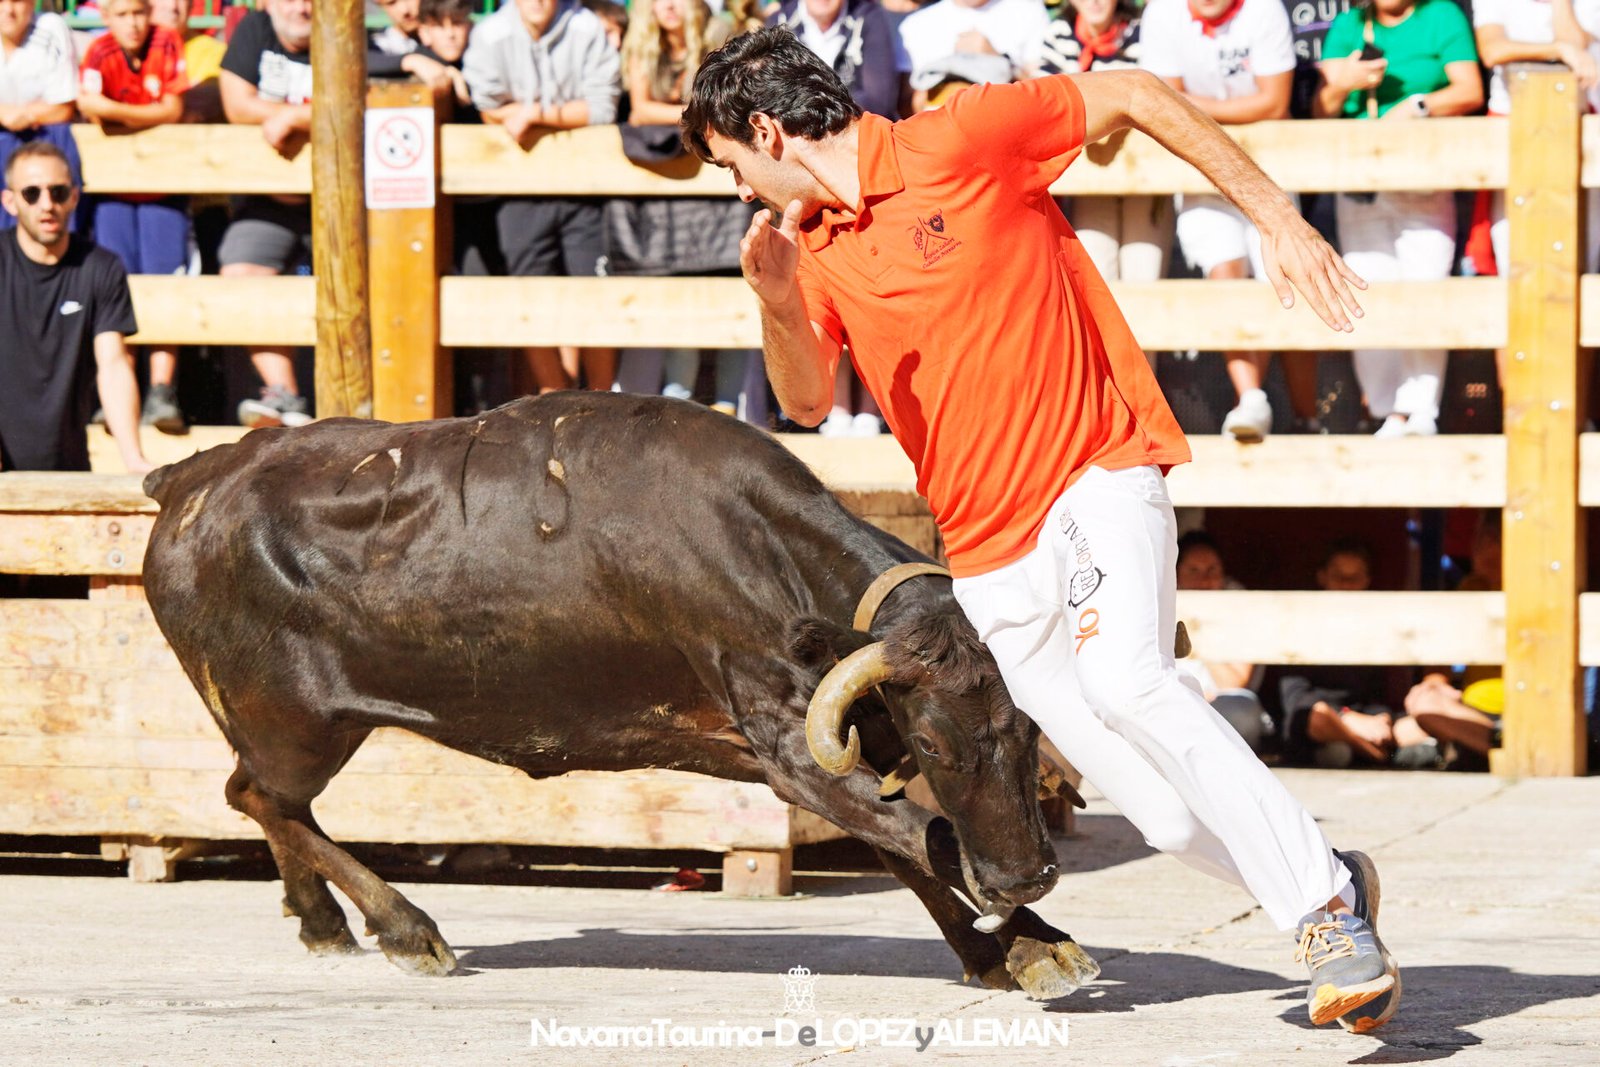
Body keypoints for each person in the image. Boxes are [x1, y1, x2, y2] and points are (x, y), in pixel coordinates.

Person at [683, 28, 1398, 1031]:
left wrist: (1273, 215)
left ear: (765, 129)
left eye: (731, 165)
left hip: (1095, 467)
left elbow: (1138, 91)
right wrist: (773, 306)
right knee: (1159, 814)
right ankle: (1331, 874)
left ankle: (1324, 918)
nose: (741, 190)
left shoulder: (962, 136)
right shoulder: (811, 248)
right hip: (984, 546)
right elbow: (804, 400)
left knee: (1129, 679)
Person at [1140, 0, 1318, 441]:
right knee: (1226, 267)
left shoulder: (1264, 9)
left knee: (1282, 282)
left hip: (1270, 170)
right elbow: (1162, 106)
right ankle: (1251, 398)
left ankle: (1304, 416)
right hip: (1200, 174)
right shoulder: (1162, 14)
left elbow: (1275, 103)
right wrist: (1231, 108)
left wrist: (1186, 106)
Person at [1314, 0, 1482, 438]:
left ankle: (1420, 410)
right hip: (1360, 185)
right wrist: (1342, 85)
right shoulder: (1349, 26)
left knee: (1425, 290)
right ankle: (1387, 413)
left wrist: (1418, 105)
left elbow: (1469, 90)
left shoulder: (1441, 16)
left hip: (1425, 181)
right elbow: (1320, 108)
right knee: (1368, 294)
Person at [463, 0, 622, 395]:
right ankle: (556, 397)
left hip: (585, 186)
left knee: (594, 295)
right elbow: (486, 105)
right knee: (529, 297)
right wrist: (558, 113)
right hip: (520, 186)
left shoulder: (585, 27)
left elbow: (602, 109)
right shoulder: (490, 34)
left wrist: (533, 113)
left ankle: (603, 403)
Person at [770, 0, 909, 433]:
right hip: (797, 187)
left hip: (860, 175)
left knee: (871, 287)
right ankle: (834, 404)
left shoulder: (872, 22)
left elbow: (881, 97)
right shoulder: (776, 25)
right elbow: (757, 107)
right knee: (818, 294)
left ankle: (870, 406)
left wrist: (795, 117)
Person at [0, 142, 150, 475]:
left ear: (74, 197)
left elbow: (113, 364)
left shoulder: (102, 267)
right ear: (9, 201)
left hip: (69, 468)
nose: (46, 204)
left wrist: (133, 458)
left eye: (57, 191)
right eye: (31, 194)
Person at [1036, 0, 1170, 370]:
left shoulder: (1144, 32)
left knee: (1143, 280)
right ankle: (1114, 401)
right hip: (1087, 186)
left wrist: (1096, 112)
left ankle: (1148, 400)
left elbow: (1155, 100)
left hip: (1147, 183)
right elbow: (1044, 103)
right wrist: (1110, 113)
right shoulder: (1058, 35)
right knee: (1099, 288)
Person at [78, 0, 191, 435]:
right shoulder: (99, 51)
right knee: (115, 287)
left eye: (140, 12)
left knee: (167, 281)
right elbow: (91, 108)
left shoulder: (167, 42)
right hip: (112, 192)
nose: (133, 23)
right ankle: (119, 393)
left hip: (163, 190)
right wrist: (149, 115)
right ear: (106, 17)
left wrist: (119, 116)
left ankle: (161, 391)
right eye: (122, 14)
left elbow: (174, 109)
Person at [218, 0, 316, 427]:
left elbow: (363, 100)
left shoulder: (346, 37)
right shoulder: (254, 29)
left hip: (337, 200)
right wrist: (303, 117)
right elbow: (237, 104)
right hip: (266, 199)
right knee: (240, 271)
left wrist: (293, 117)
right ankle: (285, 396)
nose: (301, 7)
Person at [1277, 539, 1436, 767]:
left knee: (1417, 725)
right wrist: (1347, 718)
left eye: (1355, 577)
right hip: (1325, 720)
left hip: (1365, 720)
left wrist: (1381, 718)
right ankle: (1378, 756)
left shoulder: (1374, 626)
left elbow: (1378, 695)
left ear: (1367, 581)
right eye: (1338, 575)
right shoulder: (1302, 624)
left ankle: (1357, 750)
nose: (1346, 584)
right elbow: (1296, 698)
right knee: (1316, 716)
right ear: (1322, 577)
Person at [1174, 530, 1273, 753]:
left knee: (1241, 710)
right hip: (1174, 704)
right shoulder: (1162, 602)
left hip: (1222, 708)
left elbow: (1235, 682)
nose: (1204, 580)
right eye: (1193, 571)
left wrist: (1196, 631)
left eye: (1212, 570)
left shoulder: (1238, 606)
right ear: (1177, 574)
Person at [0, 0, 85, 231]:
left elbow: (63, 107)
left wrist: (21, 114)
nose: (9, 10)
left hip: (47, 139)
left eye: (16, 0)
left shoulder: (51, 27)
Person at [898, 0, 1051, 112]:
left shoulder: (1028, 10)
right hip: (940, 141)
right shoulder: (915, 25)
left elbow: (1045, 91)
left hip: (1008, 130)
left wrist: (998, 61)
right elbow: (904, 104)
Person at [149, 0, 227, 122]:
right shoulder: (119, 52)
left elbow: (200, 104)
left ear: (191, 5)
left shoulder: (214, 52)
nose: (172, 6)